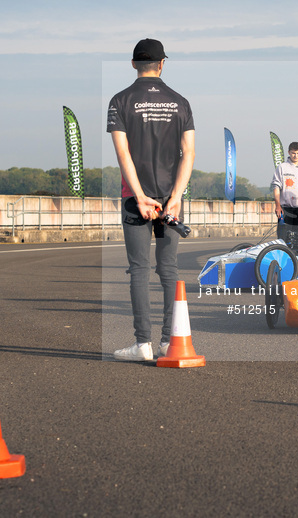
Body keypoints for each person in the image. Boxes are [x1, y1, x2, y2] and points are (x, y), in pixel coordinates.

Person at [107, 39, 195, 361]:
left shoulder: (119, 101)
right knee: (168, 270)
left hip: (135, 198)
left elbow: (122, 153)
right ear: (162, 64)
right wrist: (176, 197)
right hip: (170, 200)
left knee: (139, 270)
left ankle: (142, 344)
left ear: (133, 64)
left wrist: (141, 196)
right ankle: (168, 343)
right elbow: (189, 154)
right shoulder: (181, 102)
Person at [271, 142, 298, 247]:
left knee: (297, 238)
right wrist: (278, 205)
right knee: (283, 237)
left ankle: (294, 258)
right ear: (289, 152)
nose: (296, 156)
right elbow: (276, 187)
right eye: (293, 153)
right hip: (285, 208)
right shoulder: (282, 167)